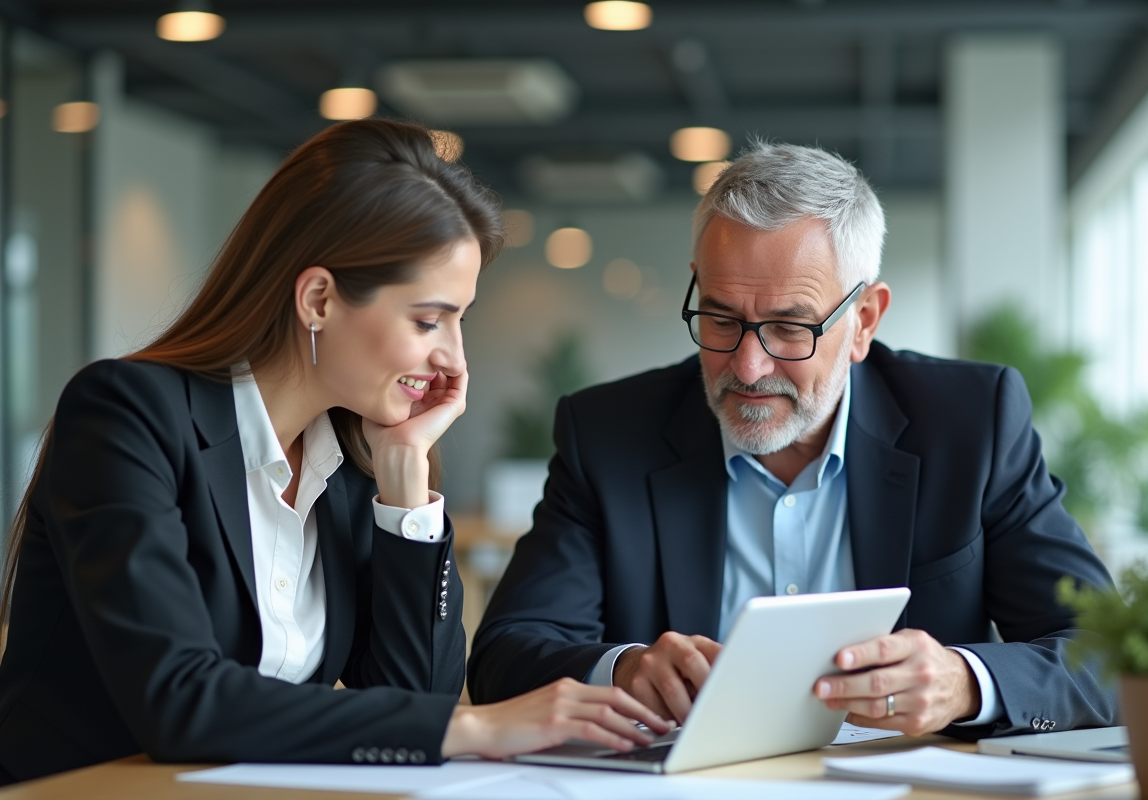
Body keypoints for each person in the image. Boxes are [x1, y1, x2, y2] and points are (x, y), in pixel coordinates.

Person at [0, 120, 668, 785]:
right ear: (319, 298)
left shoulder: (350, 465)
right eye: (428, 320)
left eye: (458, 320)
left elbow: (420, 695)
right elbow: (179, 701)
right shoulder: (127, 413)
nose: (453, 359)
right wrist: (481, 726)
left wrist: (405, 485)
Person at [469, 142, 1118, 740]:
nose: (748, 367)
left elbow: (1108, 654)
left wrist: (964, 681)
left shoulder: (972, 424)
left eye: (789, 328)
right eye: (721, 317)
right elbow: (506, 654)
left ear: (864, 320)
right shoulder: (609, 434)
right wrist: (625, 669)